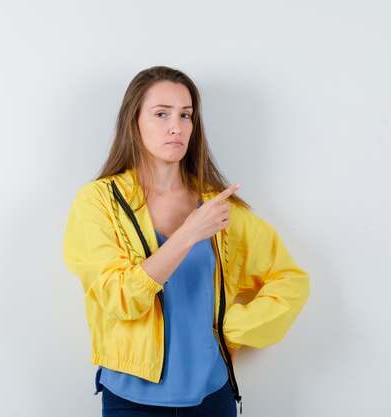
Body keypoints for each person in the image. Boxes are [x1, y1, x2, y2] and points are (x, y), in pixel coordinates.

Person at [63, 65, 310, 416]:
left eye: (186, 115)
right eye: (161, 114)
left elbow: (290, 281)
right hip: (131, 399)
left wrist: (231, 327)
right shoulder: (98, 202)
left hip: (212, 396)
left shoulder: (219, 208)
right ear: (133, 121)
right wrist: (189, 232)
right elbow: (120, 299)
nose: (176, 127)